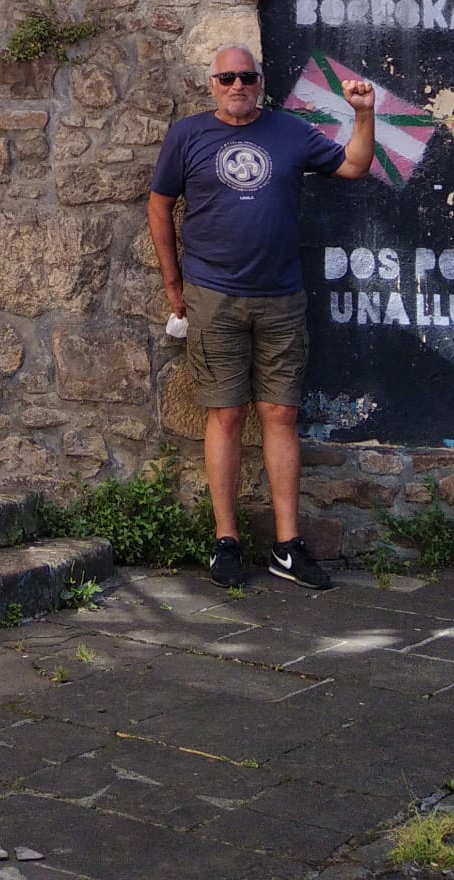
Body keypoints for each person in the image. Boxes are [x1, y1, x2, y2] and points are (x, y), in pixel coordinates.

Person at [146, 44, 375, 591]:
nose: (237, 85)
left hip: (281, 297)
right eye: (227, 77)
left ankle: (288, 547)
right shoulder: (188, 135)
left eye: (246, 76)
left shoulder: (290, 131)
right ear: (212, 84)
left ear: (260, 81)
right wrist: (173, 284)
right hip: (213, 296)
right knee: (224, 416)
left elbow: (355, 166)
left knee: (279, 415)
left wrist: (364, 115)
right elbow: (158, 204)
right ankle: (226, 542)